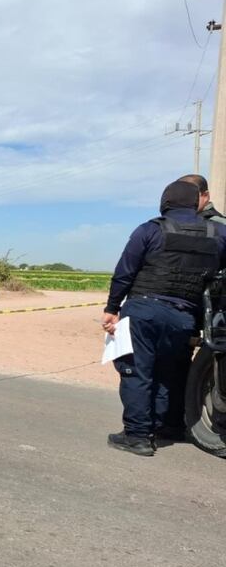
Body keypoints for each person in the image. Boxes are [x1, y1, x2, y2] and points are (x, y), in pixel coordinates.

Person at [102, 180, 226, 456]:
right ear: (196, 201)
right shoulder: (218, 233)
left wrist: (112, 308)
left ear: (165, 202)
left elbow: (125, 272)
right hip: (184, 317)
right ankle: (168, 426)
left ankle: (137, 436)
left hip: (143, 312)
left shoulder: (149, 230)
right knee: (172, 372)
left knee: (137, 372)